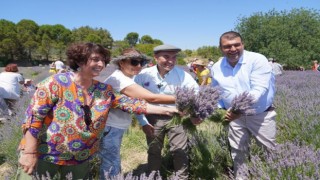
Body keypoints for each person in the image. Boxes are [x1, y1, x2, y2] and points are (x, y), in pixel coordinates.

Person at [16, 42, 179, 180]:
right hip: (45, 155)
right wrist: (29, 152)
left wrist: (170, 111)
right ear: (79, 60)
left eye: (103, 61)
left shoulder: (104, 90)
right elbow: (34, 118)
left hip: (80, 159)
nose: (101, 64)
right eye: (95, 59)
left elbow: (133, 104)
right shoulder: (55, 83)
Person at [100, 48, 176, 178]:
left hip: (115, 127)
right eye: (134, 62)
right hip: (110, 127)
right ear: (122, 63)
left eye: (141, 62)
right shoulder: (119, 79)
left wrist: (143, 122)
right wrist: (184, 97)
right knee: (111, 164)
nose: (139, 66)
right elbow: (152, 98)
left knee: (111, 162)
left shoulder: (128, 78)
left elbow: (135, 104)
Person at [210, 31, 277, 178]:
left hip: (260, 115)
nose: (233, 49)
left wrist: (238, 109)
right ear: (221, 48)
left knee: (269, 151)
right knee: (238, 152)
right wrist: (216, 110)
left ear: (242, 45)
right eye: (227, 46)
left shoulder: (257, 60)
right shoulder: (216, 67)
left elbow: (259, 90)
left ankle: (274, 175)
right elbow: (216, 93)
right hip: (235, 118)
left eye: (236, 45)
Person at [135, 44, 199, 179]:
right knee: (154, 150)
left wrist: (189, 110)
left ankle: (182, 177)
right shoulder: (144, 75)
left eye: (174, 57)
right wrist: (143, 122)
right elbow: (135, 100)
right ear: (156, 57)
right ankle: (153, 176)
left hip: (176, 118)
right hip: (152, 118)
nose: (171, 61)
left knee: (179, 150)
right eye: (166, 57)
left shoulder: (183, 75)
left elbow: (196, 93)